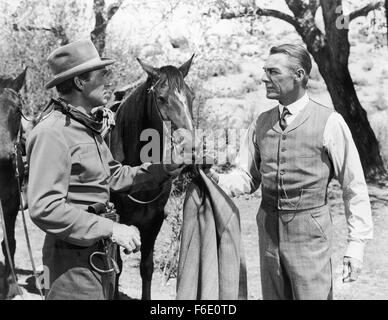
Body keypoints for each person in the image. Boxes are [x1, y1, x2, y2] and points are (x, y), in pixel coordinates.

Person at [207, 44, 373, 300]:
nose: (264, 78)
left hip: (311, 235)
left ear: (299, 76)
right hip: (268, 234)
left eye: (273, 71)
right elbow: (247, 176)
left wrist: (356, 246)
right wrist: (215, 178)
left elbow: (354, 186)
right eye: (264, 71)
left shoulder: (330, 122)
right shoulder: (260, 122)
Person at [26, 39, 185, 300]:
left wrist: (164, 169)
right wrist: (112, 229)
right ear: (80, 82)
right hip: (71, 265)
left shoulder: (86, 128)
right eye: (102, 74)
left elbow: (113, 175)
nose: (108, 80)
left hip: (99, 258)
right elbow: (45, 207)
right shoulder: (52, 133)